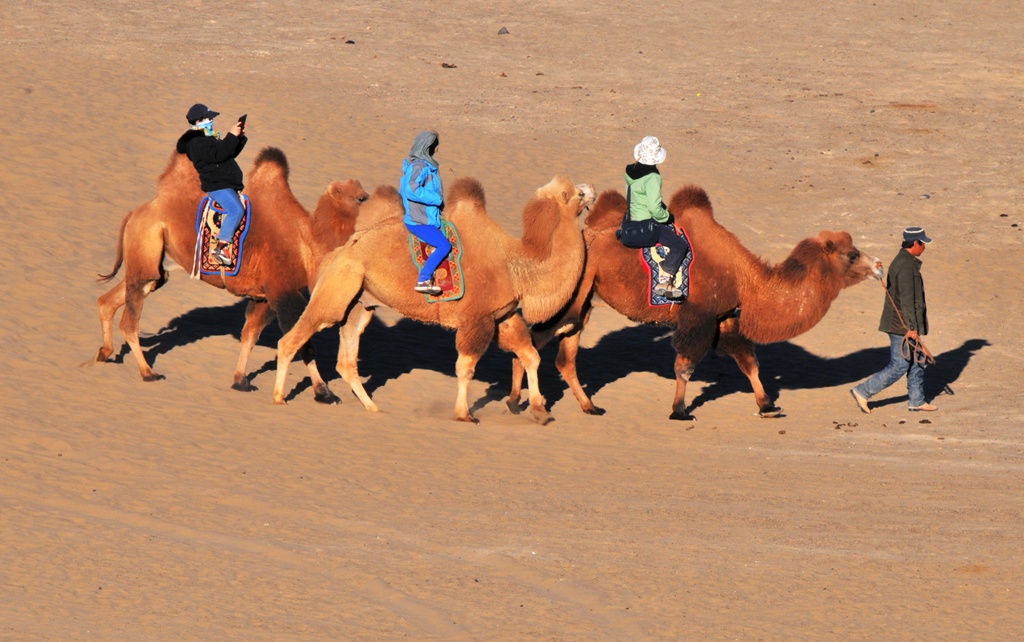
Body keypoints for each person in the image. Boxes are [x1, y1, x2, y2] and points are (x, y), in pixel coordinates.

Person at [850, 226, 937, 413]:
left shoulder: (906, 261)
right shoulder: (905, 265)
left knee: (917, 360)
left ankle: (916, 400)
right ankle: (863, 391)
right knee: (900, 364)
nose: (924, 247)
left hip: (904, 322)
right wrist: (912, 327)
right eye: (923, 243)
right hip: (901, 325)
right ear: (915, 243)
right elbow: (906, 299)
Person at [176, 103, 248, 266]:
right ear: (200, 120)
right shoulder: (197, 142)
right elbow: (219, 154)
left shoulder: (208, 137)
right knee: (236, 210)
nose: (211, 121)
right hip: (217, 186)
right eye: (208, 118)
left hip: (226, 183)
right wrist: (231, 136)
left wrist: (238, 137)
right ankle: (221, 247)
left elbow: (228, 153)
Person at [624, 135, 691, 299]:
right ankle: (665, 280)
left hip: (630, 223)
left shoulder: (630, 171)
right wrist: (667, 217)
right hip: (647, 225)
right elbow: (654, 208)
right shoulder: (653, 177)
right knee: (680, 245)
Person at [400, 130, 450, 295]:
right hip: (419, 221)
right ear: (429, 147)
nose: (437, 150)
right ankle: (424, 279)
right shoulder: (420, 166)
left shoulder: (426, 167)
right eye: (435, 146)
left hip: (425, 217)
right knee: (444, 245)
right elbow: (410, 189)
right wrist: (436, 199)